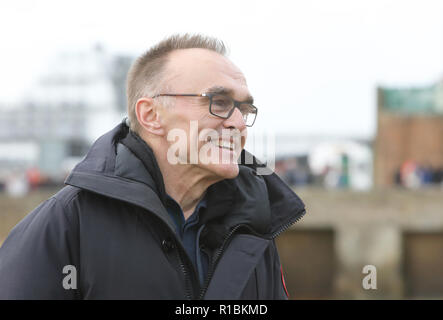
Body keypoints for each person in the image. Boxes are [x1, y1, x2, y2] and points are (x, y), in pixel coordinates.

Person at [0, 34, 306, 299]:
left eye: (245, 108)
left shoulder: (252, 227)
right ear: (151, 115)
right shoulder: (67, 225)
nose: (239, 123)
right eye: (219, 102)